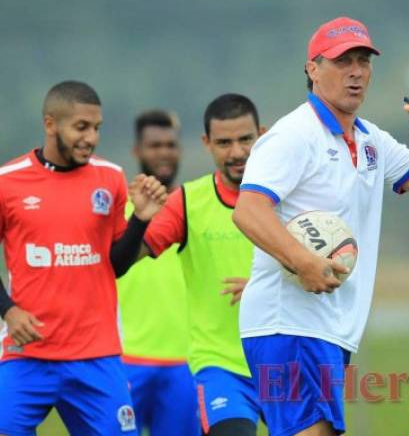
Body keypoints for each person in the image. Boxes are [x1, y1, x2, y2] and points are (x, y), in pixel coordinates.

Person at [232, 16, 409, 436]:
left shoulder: (372, 140)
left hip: (330, 327)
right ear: (312, 69)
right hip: (289, 322)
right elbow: (248, 210)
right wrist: (303, 261)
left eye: (363, 61)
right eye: (342, 61)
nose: (356, 71)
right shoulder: (294, 135)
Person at [0, 80, 167, 436]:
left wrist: (140, 218)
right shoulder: (8, 182)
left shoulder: (110, 178)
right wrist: (8, 310)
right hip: (27, 355)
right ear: (50, 124)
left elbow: (116, 266)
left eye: (96, 128)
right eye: (81, 127)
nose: (91, 138)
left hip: (96, 356)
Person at [140, 94, 266, 435]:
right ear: (206, 143)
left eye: (245, 140)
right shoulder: (187, 201)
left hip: (285, 363)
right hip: (220, 366)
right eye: (224, 142)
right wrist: (140, 219)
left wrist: (266, 286)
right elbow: (124, 257)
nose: (237, 152)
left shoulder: (293, 195)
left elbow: (330, 270)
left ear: (262, 135)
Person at [117, 110, 198, 436]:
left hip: (186, 364)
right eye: (154, 145)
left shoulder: (196, 207)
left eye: (170, 144)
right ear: (137, 150)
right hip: (124, 360)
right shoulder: (118, 211)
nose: (163, 152)